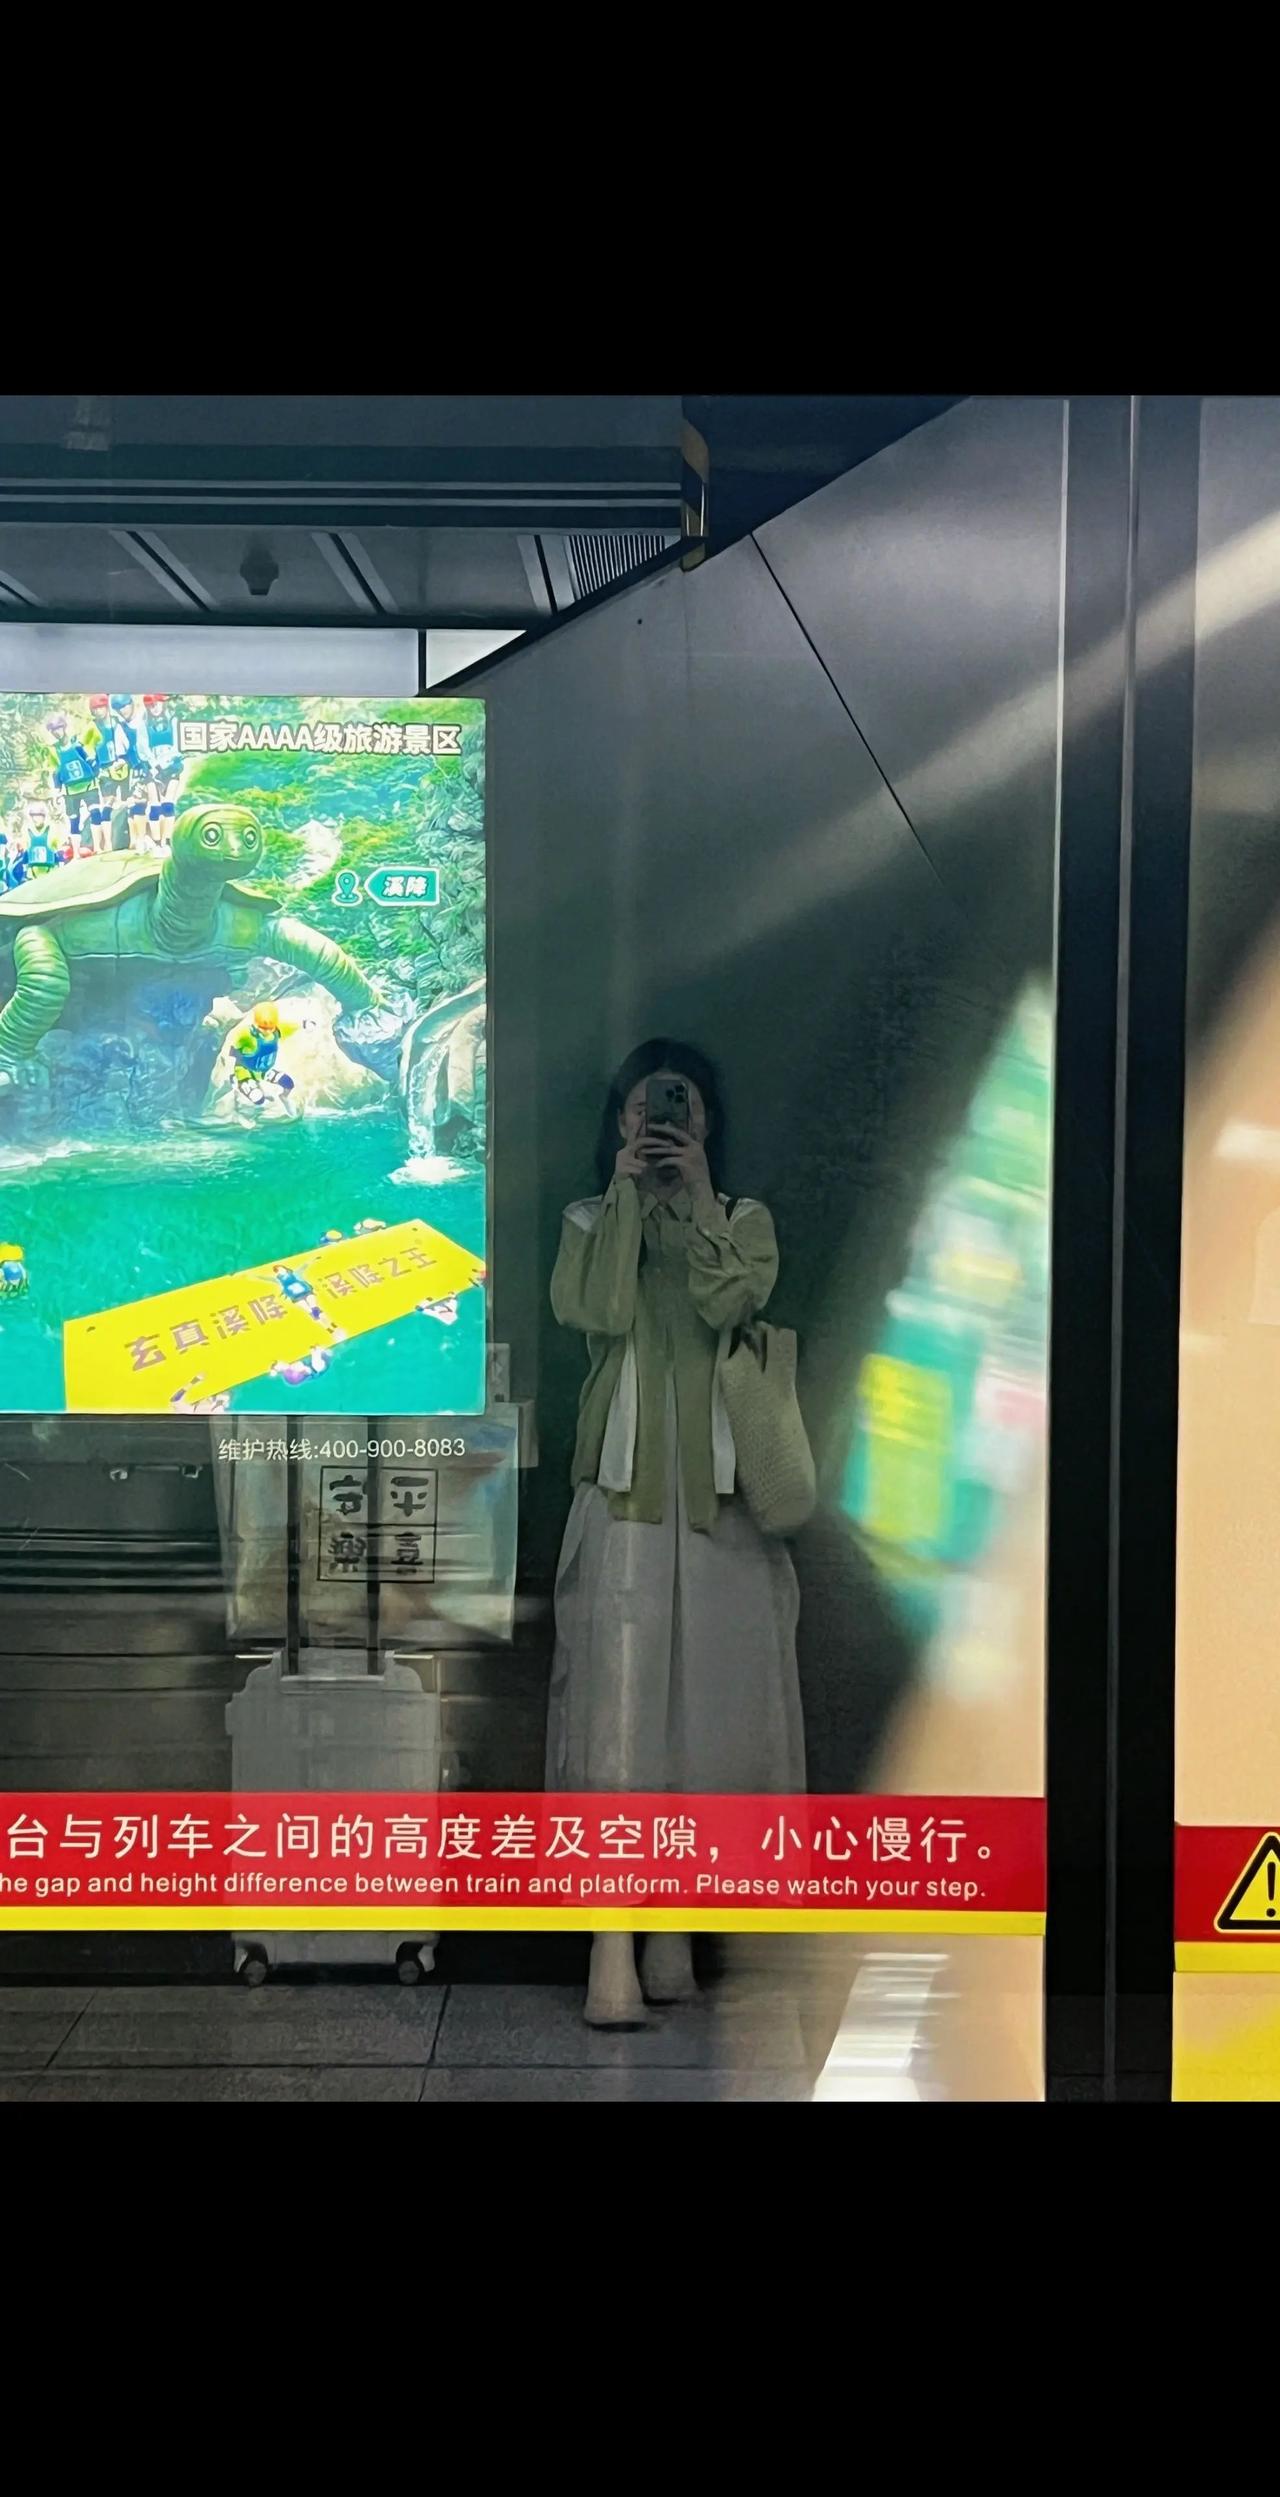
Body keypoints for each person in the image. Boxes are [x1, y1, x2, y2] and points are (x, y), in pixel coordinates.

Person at [547, 1038, 806, 2027]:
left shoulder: (743, 1220)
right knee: (616, 1709)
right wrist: (625, 1195)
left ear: (705, 1125)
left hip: (719, 1499)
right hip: (622, 1494)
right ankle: (610, 1942)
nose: (658, 1125)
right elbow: (596, 1308)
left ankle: (674, 1927)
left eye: (678, 1110)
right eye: (643, 1110)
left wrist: (696, 1198)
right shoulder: (588, 1217)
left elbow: (730, 1299)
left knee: (709, 1709)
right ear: (619, 1122)